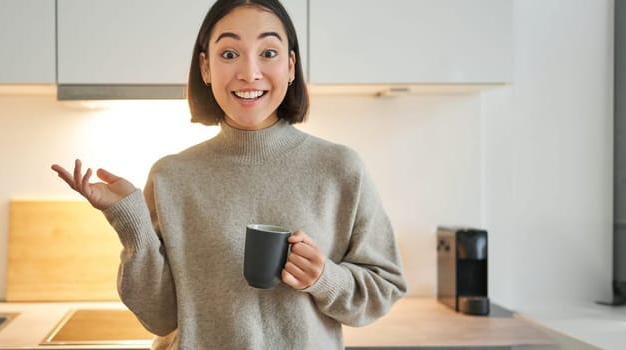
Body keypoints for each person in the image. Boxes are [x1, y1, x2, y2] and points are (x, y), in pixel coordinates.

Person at [51, 0, 407, 348]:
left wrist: (324, 278)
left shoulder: (341, 169)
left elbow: (384, 288)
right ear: (205, 68)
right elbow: (160, 317)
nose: (249, 72)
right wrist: (130, 220)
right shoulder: (171, 176)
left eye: (268, 53)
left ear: (291, 66)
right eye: (229, 54)